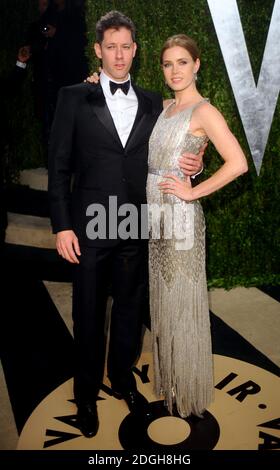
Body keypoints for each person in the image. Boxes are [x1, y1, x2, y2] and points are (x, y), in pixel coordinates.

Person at [48, 11, 203, 438]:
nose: (119, 55)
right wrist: (62, 225)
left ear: (135, 50)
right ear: (98, 51)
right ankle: (84, 396)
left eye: (126, 46)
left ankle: (121, 379)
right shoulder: (74, 96)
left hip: (138, 221)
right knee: (88, 313)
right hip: (90, 226)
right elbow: (59, 166)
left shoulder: (156, 101)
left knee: (132, 311)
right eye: (110, 47)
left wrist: (197, 161)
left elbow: (181, 141)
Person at [146, 34, 248, 419]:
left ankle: (188, 388)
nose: (174, 70)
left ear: (197, 64)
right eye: (168, 63)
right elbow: (172, 156)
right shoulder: (166, 107)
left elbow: (237, 163)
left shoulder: (205, 112)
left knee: (183, 300)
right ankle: (173, 380)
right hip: (156, 218)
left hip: (181, 218)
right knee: (165, 298)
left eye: (182, 62)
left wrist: (193, 193)